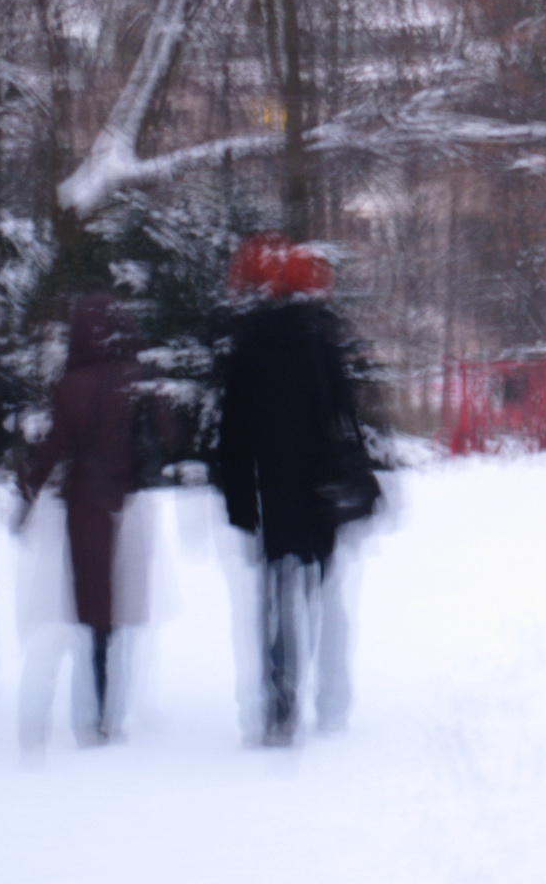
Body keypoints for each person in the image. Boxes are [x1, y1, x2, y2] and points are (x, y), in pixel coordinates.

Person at [219, 233, 377, 747]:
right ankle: (331, 701)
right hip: (321, 491)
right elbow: (344, 418)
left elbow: (234, 436)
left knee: (276, 597)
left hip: (275, 495)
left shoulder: (248, 350)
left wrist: (241, 503)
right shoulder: (319, 343)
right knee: (325, 594)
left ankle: (280, 702)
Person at [18, 293, 157, 745]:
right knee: (119, 604)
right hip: (125, 500)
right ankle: (110, 706)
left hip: (84, 503)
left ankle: (92, 706)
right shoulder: (132, 379)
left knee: (91, 602)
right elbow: (165, 434)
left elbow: (55, 444)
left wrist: (28, 489)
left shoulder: (70, 385)